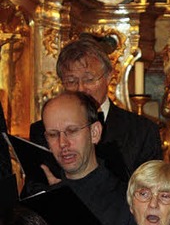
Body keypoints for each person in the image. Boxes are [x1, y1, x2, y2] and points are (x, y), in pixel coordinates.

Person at [28, 91, 134, 225]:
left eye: (72, 131)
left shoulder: (128, 203)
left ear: (95, 133)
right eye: (53, 134)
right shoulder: (39, 202)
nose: (63, 143)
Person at [30, 37, 162, 181]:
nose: (81, 89)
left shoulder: (142, 131)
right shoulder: (42, 131)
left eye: (89, 79)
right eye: (72, 81)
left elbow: (151, 191)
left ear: (108, 77)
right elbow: (33, 190)